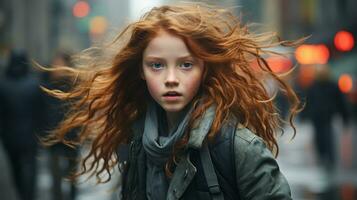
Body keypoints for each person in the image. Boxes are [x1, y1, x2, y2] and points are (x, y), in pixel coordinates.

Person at [42, 3, 302, 200]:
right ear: (141, 71)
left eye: (186, 65)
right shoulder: (137, 144)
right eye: (156, 65)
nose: (170, 79)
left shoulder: (239, 149)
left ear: (204, 70)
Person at [0, 50, 44, 200]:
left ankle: (21, 194)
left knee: (16, 168)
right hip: (31, 135)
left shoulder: (3, 85)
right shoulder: (35, 84)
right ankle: (28, 196)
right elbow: (41, 111)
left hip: (9, 136)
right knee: (31, 167)